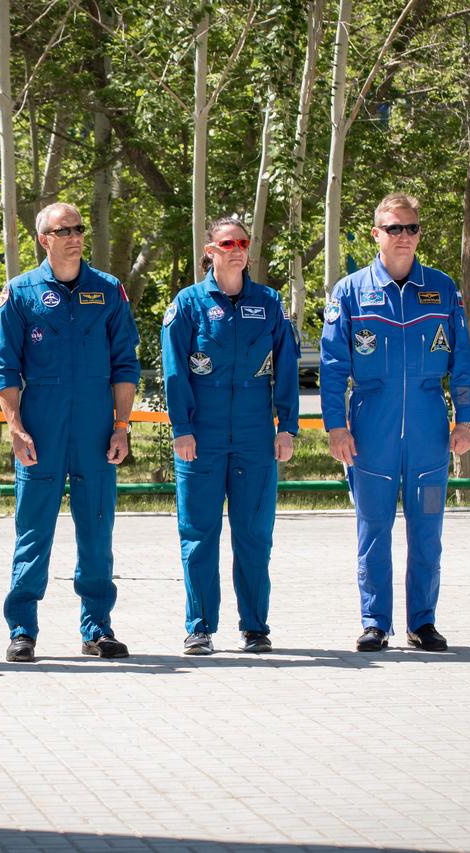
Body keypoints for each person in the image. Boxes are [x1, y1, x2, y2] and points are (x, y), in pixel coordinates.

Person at [320, 193, 470, 652]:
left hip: (429, 428)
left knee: (427, 531)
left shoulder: (442, 289)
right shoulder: (350, 292)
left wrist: (465, 420)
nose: (404, 236)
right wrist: (335, 427)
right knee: (373, 531)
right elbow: (332, 367)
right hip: (372, 428)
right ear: (377, 234)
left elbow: (462, 364)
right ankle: (375, 621)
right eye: (394, 228)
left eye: (411, 228)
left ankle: (422, 622)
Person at [0, 202, 141, 663]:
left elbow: (125, 364)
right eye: (63, 230)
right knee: (33, 531)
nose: (74, 236)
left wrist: (121, 426)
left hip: (95, 427)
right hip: (42, 427)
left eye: (79, 228)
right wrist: (15, 428)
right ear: (44, 239)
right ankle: (22, 629)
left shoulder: (109, 291)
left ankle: (97, 628)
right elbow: (5, 368)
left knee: (97, 530)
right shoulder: (19, 293)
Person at [161, 216, 299, 655]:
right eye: (227, 243)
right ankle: (199, 626)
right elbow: (175, 371)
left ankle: (255, 626)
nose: (236, 249)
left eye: (242, 242)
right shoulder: (188, 305)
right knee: (199, 533)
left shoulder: (270, 302)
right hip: (202, 435)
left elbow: (288, 370)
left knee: (254, 535)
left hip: (256, 437)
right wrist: (181, 428)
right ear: (210, 250)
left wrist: (287, 427)